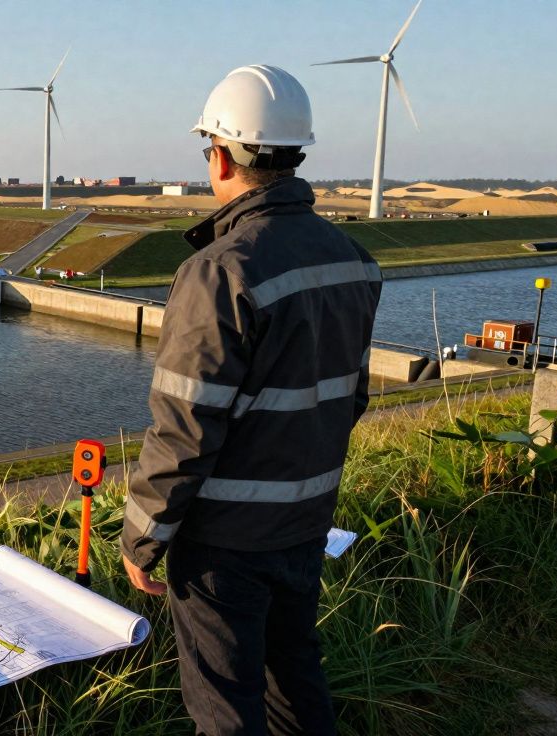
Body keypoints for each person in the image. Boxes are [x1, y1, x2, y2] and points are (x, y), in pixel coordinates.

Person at [120, 65, 381, 736]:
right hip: (304, 524)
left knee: (226, 709)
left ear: (222, 155)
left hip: (224, 546)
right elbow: (350, 398)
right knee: (295, 680)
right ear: (295, 153)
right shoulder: (352, 259)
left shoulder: (220, 271)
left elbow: (183, 429)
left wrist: (142, 538)